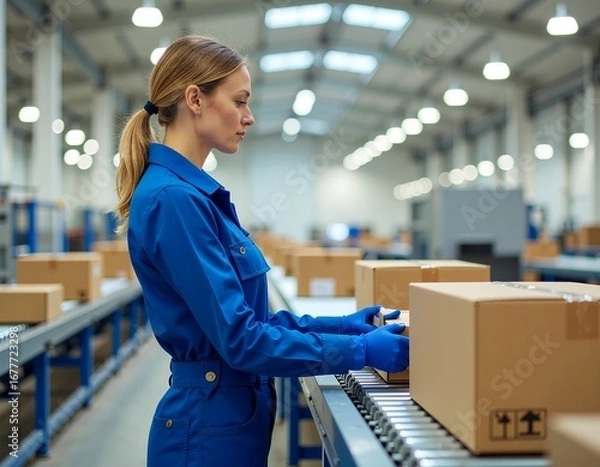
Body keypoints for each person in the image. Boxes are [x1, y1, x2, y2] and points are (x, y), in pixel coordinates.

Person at [114, 35, 409, 467]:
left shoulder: (195, 196)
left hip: (228, 416)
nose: (249, 117)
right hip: (207, 431)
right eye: (240, 101)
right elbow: (240, 340)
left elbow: (252, 321)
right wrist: (361, 353)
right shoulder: (174, 201)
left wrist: (346, 327)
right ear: (195, 99)